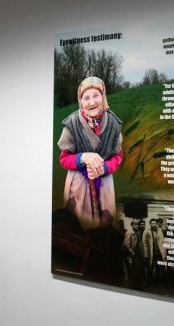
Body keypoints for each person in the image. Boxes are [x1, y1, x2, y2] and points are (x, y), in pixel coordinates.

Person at [57, 76, 124, 229]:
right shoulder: (72, 124)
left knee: (104, 232)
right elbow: (64, 159)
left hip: (104, 185)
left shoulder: (114, 124)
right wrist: (83, 157)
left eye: (96, 95)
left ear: (103, 96)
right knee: (78, 230)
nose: (92, 102)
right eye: (86, 97)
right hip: (79, 187)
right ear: (80, 101)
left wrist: (104, 168)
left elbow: (118, 156)